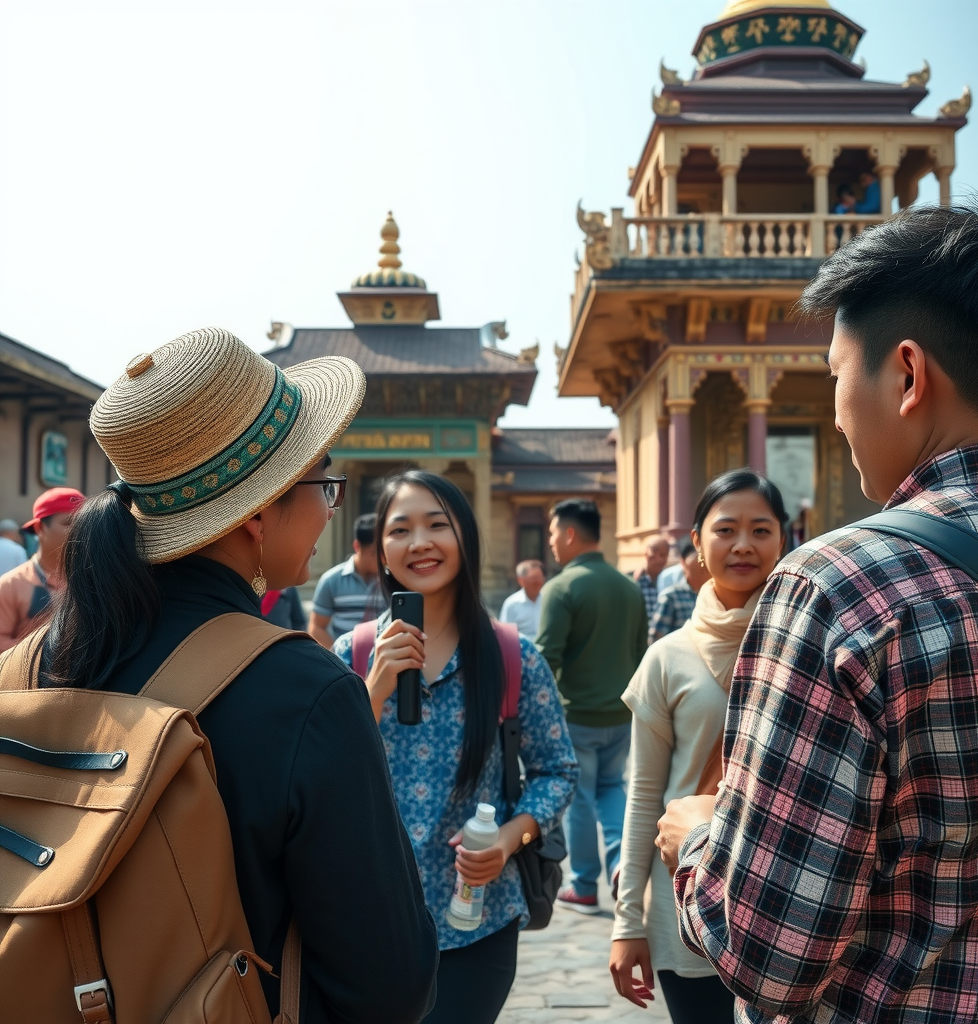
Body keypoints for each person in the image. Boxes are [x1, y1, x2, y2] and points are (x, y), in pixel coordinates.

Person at [657, 200, 978, 1023]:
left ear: (906, 375)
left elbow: (769, 954)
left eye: (833, 375)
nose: (831, 411)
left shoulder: (841, 587)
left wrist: (699, 840)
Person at [34, 328, 436, 1023]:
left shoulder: (35, 661)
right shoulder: (308, 694)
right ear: (256, 512)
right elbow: (389, 985)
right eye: (324, 482)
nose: (328, 509)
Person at [334, 470, 577, 1024]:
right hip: (368, 922)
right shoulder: (352, 655)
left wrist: (512, 839)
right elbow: (319, 779)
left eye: (437, 525)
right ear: (382, 551)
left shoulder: (514, 657)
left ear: (465, 538)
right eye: (401, 530)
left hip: (478, 922)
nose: (419, 542)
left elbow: (557, 770)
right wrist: (373, 692)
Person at [610, 471, 787, 1024]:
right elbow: (645, 796)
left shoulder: (809, 641)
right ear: (697, 542)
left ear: (783, 538)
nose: (742, 545)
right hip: (687, 894)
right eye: (726, 529)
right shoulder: (667, 658)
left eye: (760, 529)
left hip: (786, 896)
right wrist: (627, 924)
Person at [535, 498, 647, 914]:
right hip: (621, 714)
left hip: (576, 714)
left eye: (551, 534)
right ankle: (620, 864)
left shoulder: (562, 588)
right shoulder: (628, 586)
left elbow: (546, 658)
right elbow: (640, 653)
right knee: (611, 788)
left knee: (579, 798)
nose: (550, 544)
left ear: (568, 533)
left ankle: (584, 884)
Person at [0, 487, 84, 651]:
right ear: (40, 528)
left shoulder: (93, 579)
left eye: (82, 523)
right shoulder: (11, 585)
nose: (78, 531)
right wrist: (46, 653)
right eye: (67, 523)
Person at [309, 512, 386, 648]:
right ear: (357, 547)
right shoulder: (332, 580)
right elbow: (317, 627)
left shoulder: (391, 580)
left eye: (384, 552)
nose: (382, 559)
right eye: (375, 553)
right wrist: (339, 659)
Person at [648, 541, 711, 645]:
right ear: (683, 562)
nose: (703, 563)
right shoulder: (671, 597)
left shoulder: (717, 597)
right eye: (699, 556)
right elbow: (655, 641)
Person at [498, 558, 545, 640]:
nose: (538, 582)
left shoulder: (548, 600)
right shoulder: (512, 604)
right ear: (521, 581)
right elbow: (505, 635)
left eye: (540, 577)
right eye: (534, 578)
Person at [631, 535, 670, 626]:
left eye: (665, 555)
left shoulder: (669, 581)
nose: (661, 560)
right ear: (646, 554)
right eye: (658, 554)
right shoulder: (635, 581)